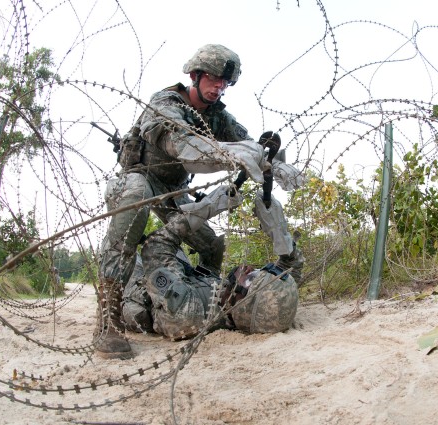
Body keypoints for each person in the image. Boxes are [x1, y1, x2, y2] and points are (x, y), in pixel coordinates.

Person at [95, 44, 302, 359]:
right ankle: (108, 323)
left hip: (174, 191)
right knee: (131, 219)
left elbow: (251, 145)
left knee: (210, 244)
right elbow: (180, 145)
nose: (219, 88)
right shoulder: (165, 103)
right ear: (196, 75)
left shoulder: (219, 117)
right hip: (141, 179)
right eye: (214, 80)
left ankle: (199, 290)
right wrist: (226, 153)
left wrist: (276, 163)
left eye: (225, 83)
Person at [122, 184, 302, 340]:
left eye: (251, 277)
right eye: (257, 270)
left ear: (242, 305)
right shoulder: (270, 306)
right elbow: (289, 270)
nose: (248, 268)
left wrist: (203, 210)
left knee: (122, 242)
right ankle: (171, 193)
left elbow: (154, 247)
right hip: (195, 282)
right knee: (217, 246)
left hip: (138, 285)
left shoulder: (189, 313)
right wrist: (279, 233)